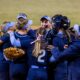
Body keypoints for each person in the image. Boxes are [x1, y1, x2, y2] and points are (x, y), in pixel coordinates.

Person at [27, 16, 52, 80]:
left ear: (51, 23)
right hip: (44, 70)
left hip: (34, 69)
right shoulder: (37, 31)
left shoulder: (51, 34)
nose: (43, 23)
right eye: (42, 22)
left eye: (46, 22)